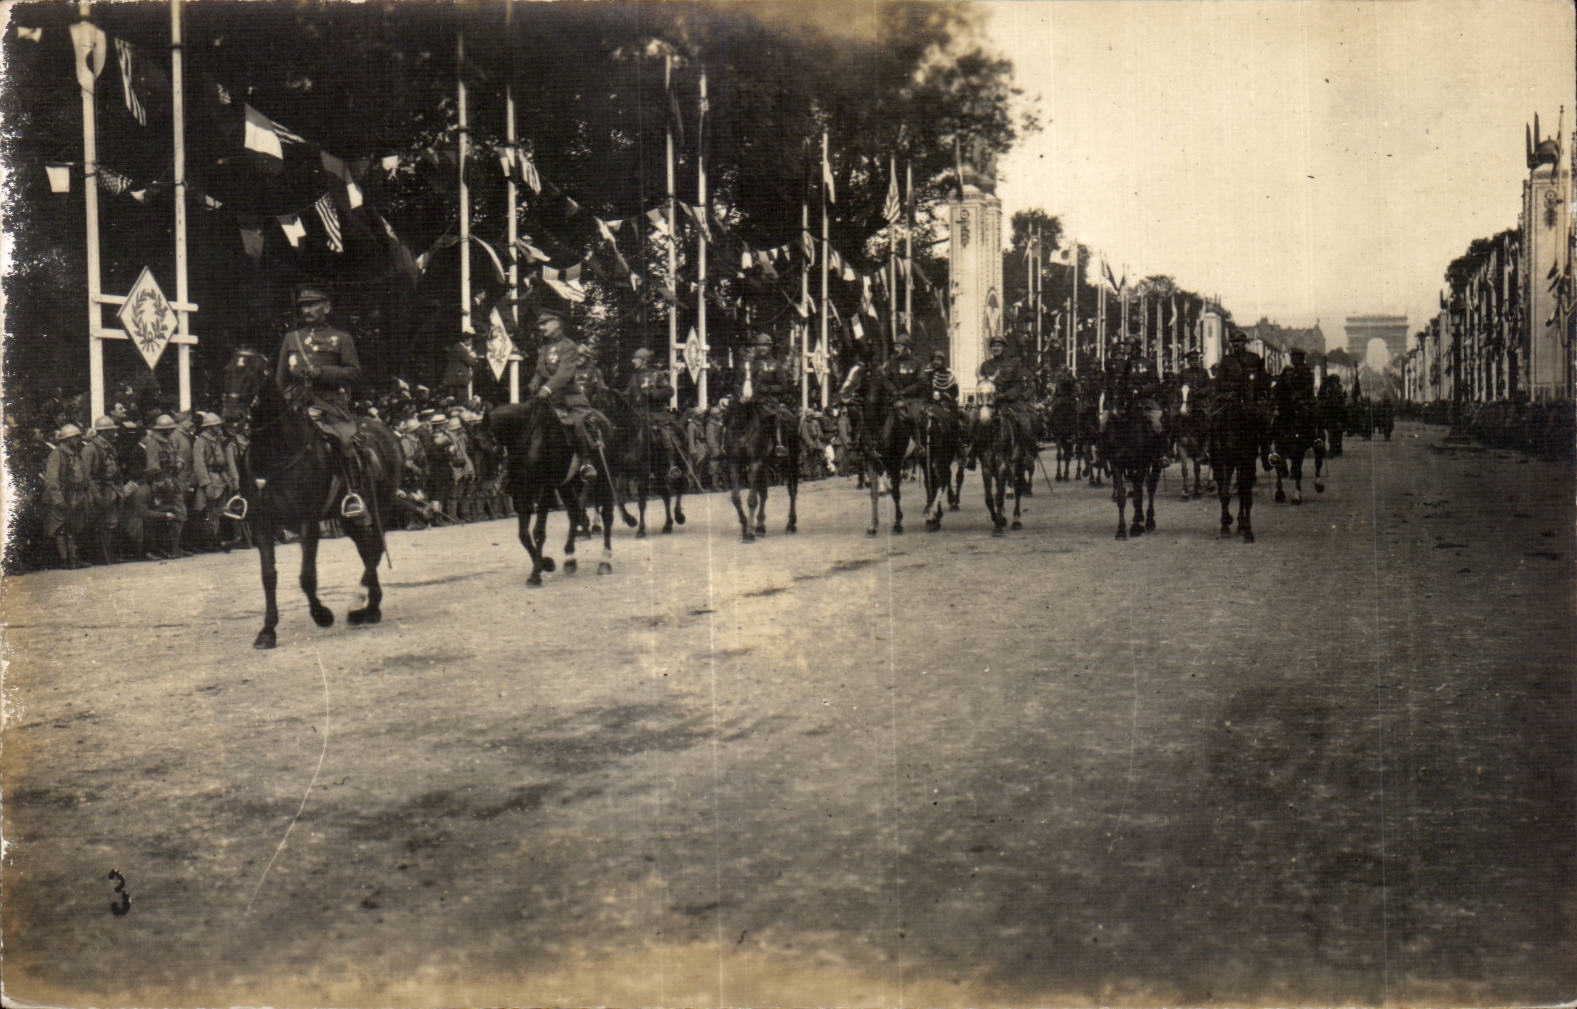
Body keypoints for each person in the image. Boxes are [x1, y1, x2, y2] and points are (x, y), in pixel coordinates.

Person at [276, 281, 369, 521]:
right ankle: (251, 496)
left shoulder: (341, 338)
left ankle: (352, 494)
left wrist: (322, 372)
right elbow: (280, 379)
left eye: (312, 305)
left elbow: (355, 373)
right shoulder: (291, 339)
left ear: (326, 307)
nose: (306, 311)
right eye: (303, 306)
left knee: (346, 441)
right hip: (296, 404)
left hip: (330, 406)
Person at [527, 304, 609, 480]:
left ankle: (586, 463)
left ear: (556, 323)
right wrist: (534, 383)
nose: (541, 328)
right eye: (540, 325)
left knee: (578, 423)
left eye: (544, 324)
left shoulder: (569, 346)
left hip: (570, 399)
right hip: (548, 400)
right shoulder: (544, 348)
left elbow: (565, 372)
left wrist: (547, 388)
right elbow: (539, 370)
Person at [1214, 327, 1273, 468]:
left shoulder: (1254, 358)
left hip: (1251, 398)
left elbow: (1263, 378)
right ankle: (1212, 450)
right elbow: (1219, 381)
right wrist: (1232, 386)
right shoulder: (1227, 360)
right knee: (1215, 418)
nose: (1236, 344)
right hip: (1231, 397)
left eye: (1239, 341)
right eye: (1233, 342)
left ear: (1244, 343)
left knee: (1263, 422)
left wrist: (1263, 390)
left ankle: (1267, 455)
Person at [626, 348, 686, 481]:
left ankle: (672, 466)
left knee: (666, 435)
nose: (633, 361)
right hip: (639, 414)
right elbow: (628, 394)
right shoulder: (634, 377)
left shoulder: (656, 375)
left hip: (656, 414)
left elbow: (669, 391)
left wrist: (653, 394)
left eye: (636, 359)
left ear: (644, 361)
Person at [738, 331, 796, 456]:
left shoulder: (776, 364)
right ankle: (740, 438)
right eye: (759, 345)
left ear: (770, 347)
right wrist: (740, 394)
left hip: (769, 400)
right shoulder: (749, 364)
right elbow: (740, 382)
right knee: (737, 412)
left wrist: (767, 389)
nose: (762, 348)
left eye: (765, 345)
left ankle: (778, 443)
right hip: (751, 399)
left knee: (775, 417)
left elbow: (783, 387)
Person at [43, 423, 90, 568]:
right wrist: (58, 499)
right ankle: (65, 560)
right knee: (61, 529)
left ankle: (74, 558)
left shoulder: (76, 454)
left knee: (74, 527)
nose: (78, 440)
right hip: (63, 496)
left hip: (76, 495)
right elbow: (52, 479)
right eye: (75, 438)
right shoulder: (57, 454)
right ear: (67, 439)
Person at [80, 416, 125, 564]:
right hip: (100, 490)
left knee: (111, 523)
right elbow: (87, 475)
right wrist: (96, 495)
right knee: (101, 524)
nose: (114, 434)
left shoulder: (109, 447)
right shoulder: (90, 449)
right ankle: (101, 556)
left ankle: (109, 554)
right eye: (111, 431)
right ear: (104, 432)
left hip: (111, 488)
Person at [441, 336, 480, 402]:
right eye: (470, 341)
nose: (470, 343)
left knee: (452, 398)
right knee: (462, 398)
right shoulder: (461, 350)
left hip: (454, 376)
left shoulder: (456, 347)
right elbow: (470, 362)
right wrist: (474, 358)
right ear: (466, 340)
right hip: (460, 378)